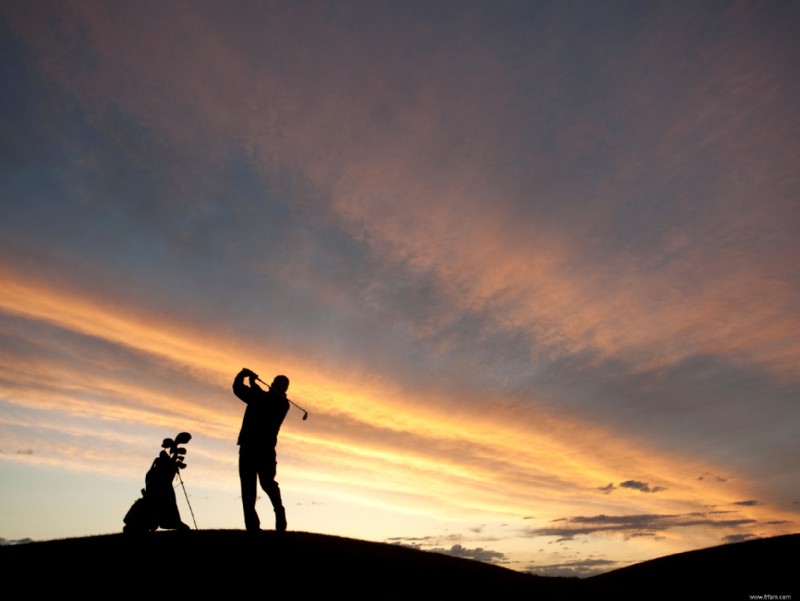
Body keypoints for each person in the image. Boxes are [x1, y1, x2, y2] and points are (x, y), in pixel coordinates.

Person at [232, 367, 290, 532]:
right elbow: (240, 390)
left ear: (283, 389)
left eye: (280, 385)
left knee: (267, 483)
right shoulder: (262, 396)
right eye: (276, 384)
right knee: (248, 488)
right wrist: (245, 378)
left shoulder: (282, 404)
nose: (276, 386)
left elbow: (261, 399)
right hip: (248, 446)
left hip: (263, 449)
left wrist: (248, 379)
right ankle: (252, 527)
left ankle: (279, 510)